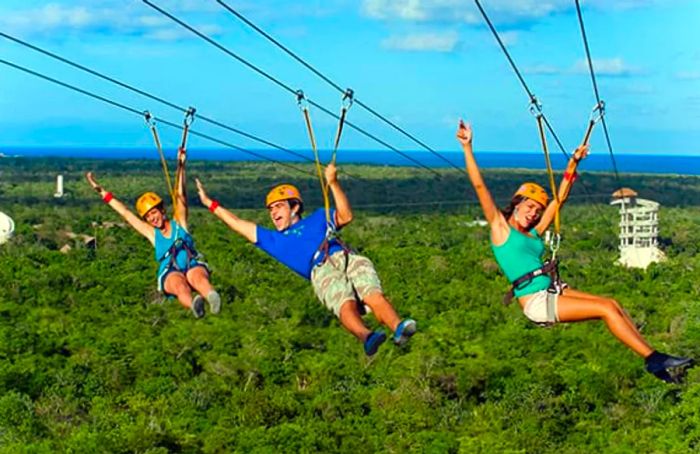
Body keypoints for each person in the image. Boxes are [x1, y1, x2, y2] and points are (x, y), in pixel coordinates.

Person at [456, 119, 693, 383]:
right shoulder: (501, 228)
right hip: (537, 301)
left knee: (612, 303)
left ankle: (654, 358)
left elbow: (559, 200)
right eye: (529, 207)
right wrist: (467, 147)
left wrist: (573, 163)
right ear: (517, 204)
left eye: (537, 209)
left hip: (551, 291)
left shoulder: (533, 233)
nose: (533, 213)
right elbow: (480, 187)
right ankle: (653, 359)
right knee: (605, 310)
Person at [194, 163, 416, 356]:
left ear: (295, 207)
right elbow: (236, 222)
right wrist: (210, 203)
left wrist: (334, 183)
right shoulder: (273, 240)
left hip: (343, 254)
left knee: (372, 293)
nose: (273, 213)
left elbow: (346, 216)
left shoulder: (319, 217)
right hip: (320, 268)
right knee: (343, 301)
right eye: (271, 209)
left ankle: (398, 326)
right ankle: (367, 337)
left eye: (279, 206)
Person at [85, 147, 220, 318]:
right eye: (148, 216)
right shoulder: (151, 233)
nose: (152, 218)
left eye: (154, 212)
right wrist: (101, 191)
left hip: (191, 264)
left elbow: (180, 196)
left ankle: (211, 296)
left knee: (198, 278)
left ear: (162, 210)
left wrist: (181, 166)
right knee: (180, 286)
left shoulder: (179, 223)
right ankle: (194, 304)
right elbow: (125, 213)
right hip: (170, 271)